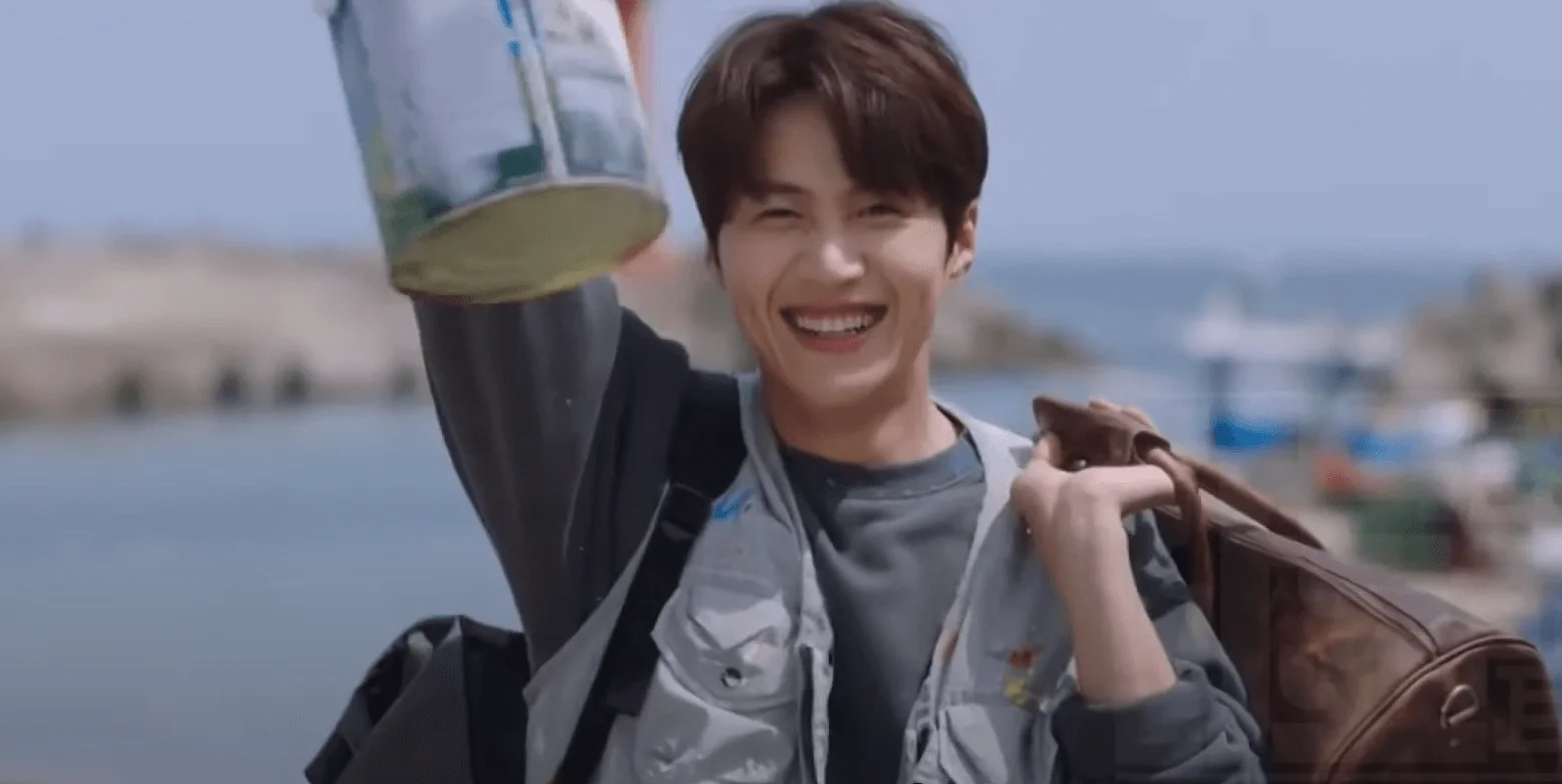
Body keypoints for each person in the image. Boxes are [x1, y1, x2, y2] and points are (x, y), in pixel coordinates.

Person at [414, 2, 1265, 781]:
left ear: (961, 237)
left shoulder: (1089, 527)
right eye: (779, 215)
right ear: (716, 247)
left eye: (878, 211)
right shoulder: (623, 463)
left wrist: (1092, 567)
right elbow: (469, 149)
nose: (830, 265)